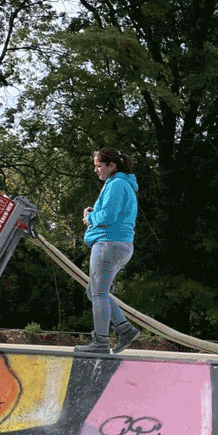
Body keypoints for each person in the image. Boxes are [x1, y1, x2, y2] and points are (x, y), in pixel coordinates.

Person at [74, 148, 142, 355]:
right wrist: (96, 214)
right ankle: (124, 329)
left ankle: (100, 343)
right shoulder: (123, 184)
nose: (96, 170)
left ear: (111, 166)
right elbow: (114, 213)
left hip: (108, 244)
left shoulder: (117, 185)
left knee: (99, 294)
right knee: (93, 291)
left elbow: (109, 217)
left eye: (98, 166)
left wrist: (91, 218)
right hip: (120, 245)